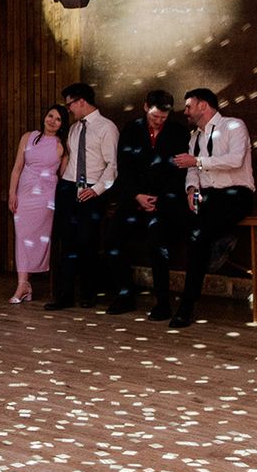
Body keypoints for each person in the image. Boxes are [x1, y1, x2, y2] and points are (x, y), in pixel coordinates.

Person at [169, 88, 254, 328]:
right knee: (180, 222)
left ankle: (187, 306)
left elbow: (235, 160)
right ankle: (219, 241)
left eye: (189, 106)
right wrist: (190, 190)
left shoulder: (234, 126)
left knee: (199, 237)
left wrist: (197, 161)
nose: (185, 111)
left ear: (203, 106)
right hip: (206, 196)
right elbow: (191, 172)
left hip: (235, 192)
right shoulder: (195, 136)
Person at [104, 89, 189, 320]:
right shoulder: (131, 129)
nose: (159, 121)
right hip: (132, 199)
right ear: (145, 108)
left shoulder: (179, 132)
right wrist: (137, 195)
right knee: (112, 241)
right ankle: (125, 295)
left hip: (164, 202)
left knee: (157, 245)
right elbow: (124, 165)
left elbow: (179, 171)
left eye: (163, 117)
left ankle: (162, 302)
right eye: (155, 116)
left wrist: (160, 199)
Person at [44, 82, 119, 310]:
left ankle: (88, 294)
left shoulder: (107, 128)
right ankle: (64, 296)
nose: (69, 110)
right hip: (68, 189)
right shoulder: (75, 129)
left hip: (93, 192)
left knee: (88, 243)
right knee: (66, 244)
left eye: (70, 105)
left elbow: (113, 166)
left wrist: (95, 190)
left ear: (81, 102)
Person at [7, 104, 66, 303]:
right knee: (22, 236)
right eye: (50, 116)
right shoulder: (28, 136)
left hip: (45, 195)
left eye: (58, 119)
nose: (52, 121)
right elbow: (17, 168)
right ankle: (23, 284)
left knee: (38, 238)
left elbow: (65, 175)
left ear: (62, 124)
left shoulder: (61, 145)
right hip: (25, 191)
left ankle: (25, 284)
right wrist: (12, 193)